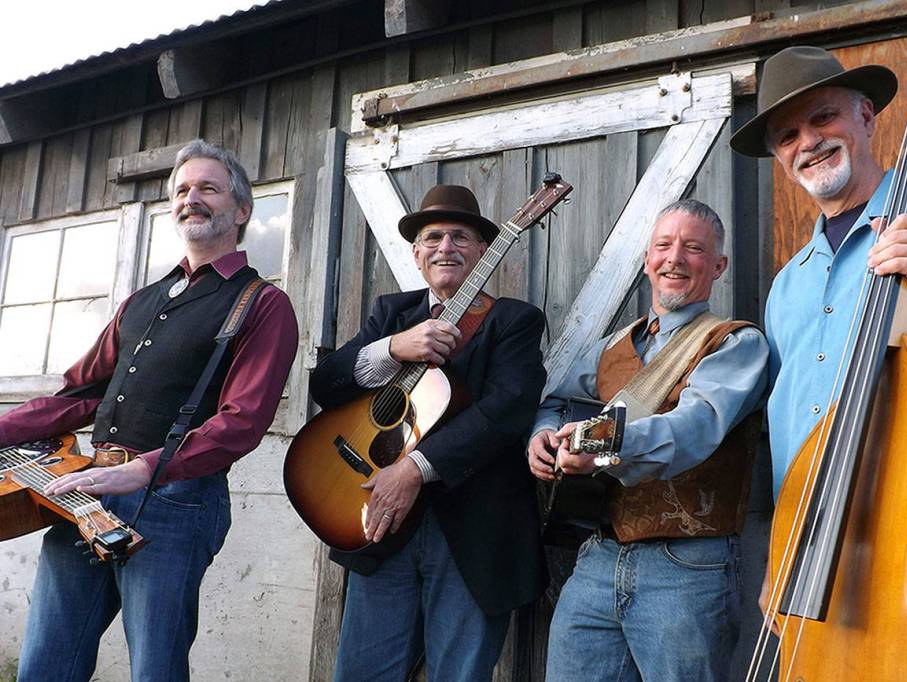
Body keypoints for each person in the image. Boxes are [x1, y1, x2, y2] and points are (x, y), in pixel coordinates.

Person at [729, 45, 907, 603]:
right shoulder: (788, 285)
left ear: (865, 116)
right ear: (779, 157)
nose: (808, 142)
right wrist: (784, 550)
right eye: (787, 136)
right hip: (818, 558)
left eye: (823, 117)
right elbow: (790, 433)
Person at [0, 139, 299, 681]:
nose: (191, 198)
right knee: (45, 665)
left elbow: (242, 421)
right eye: (182, 190)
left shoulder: (262, 303)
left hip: (176, 501)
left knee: (155, 670)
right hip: (85, 489)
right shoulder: (141, 301)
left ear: (241, 210)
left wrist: (144, 469)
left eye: (208, 188)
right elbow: (80, 394)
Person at [310, 185, 547, 682]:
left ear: (483, 250)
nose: (446, 247)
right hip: (382, 525)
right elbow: (325, 385)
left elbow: (506, 411)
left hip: (474, 533)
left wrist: (414, 469)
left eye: (460, 236)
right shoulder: (392, 315)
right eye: (433, 237)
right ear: (416, 253)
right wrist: (394, 347)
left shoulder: (514, 321)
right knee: (361, 674)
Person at [527, 199, 769, 682]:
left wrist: (596, 445)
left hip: (687, 568)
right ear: (647, 260)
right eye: (663, 245)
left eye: (693, 248)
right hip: (598, 557)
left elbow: (693, 427)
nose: (674, 258)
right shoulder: (614, 346)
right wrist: (541, 436)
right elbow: (554, 399)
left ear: (718, 266)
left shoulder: (736, 344)